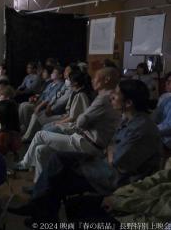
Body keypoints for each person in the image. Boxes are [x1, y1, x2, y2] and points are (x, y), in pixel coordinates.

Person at [9, 80, 162, 223]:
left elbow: (115, 161)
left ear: (128, 103)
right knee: (57, 161)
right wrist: (110, 149)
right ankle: (41, 212)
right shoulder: (129, 119)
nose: (112, 97)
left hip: (117, 178)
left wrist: (110, 149)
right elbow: (110, 146)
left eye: (116, 95)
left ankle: (41, 212)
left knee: (59, 171)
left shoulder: (141, 129)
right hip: (106, 164)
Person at [15, 67, 121, 182]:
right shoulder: (108, 97)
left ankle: (25, 163)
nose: (93, 80)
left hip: (87, 144)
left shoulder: (104, 98)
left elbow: (80, 121)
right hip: (84, 140)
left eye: (96, 77)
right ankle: (40, 185)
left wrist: (81, 118)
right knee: (41, 150)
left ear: (107, 79)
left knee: (40, 135)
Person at [22, 64, 80, 141]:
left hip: (60, 113)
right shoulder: (65, 84)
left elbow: (61, 101)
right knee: (28, 109)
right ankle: (28, 133)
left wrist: (51, 108)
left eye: (67, 70)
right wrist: (48, 105)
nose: (65, 72)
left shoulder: (72, 88)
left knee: (37, 116)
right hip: (52, 109)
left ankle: (29, 137)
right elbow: (55, 96)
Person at [42, 70, 92, 135]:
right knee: (45, 126)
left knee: (45, 130)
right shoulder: (74, 93)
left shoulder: (80, 95)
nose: (67, 80)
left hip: (74, 126)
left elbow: (72, 118)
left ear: (75, 83)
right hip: (68, 120)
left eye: (69, 79)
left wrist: (59, 122)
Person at [18, 66, 64, 131]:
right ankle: (23, 126)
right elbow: (42, 95)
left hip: (45, 106)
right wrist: (35, 100)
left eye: (54, 72)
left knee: (26, 107)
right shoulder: (50, 84)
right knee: (22, 105)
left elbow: (49, 98)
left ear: (60, 75)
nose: (52, 74)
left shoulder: (60, 85)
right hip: (40, 102)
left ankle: (26, 130)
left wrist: (38, 106)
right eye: (52, 72)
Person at [153, 72, 171, 149]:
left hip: (167, 141)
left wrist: (150, 130)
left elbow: (168, 127)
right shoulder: (166, 98)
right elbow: (156, 116)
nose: (167, 83)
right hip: (160, 136)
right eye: (167, 81)